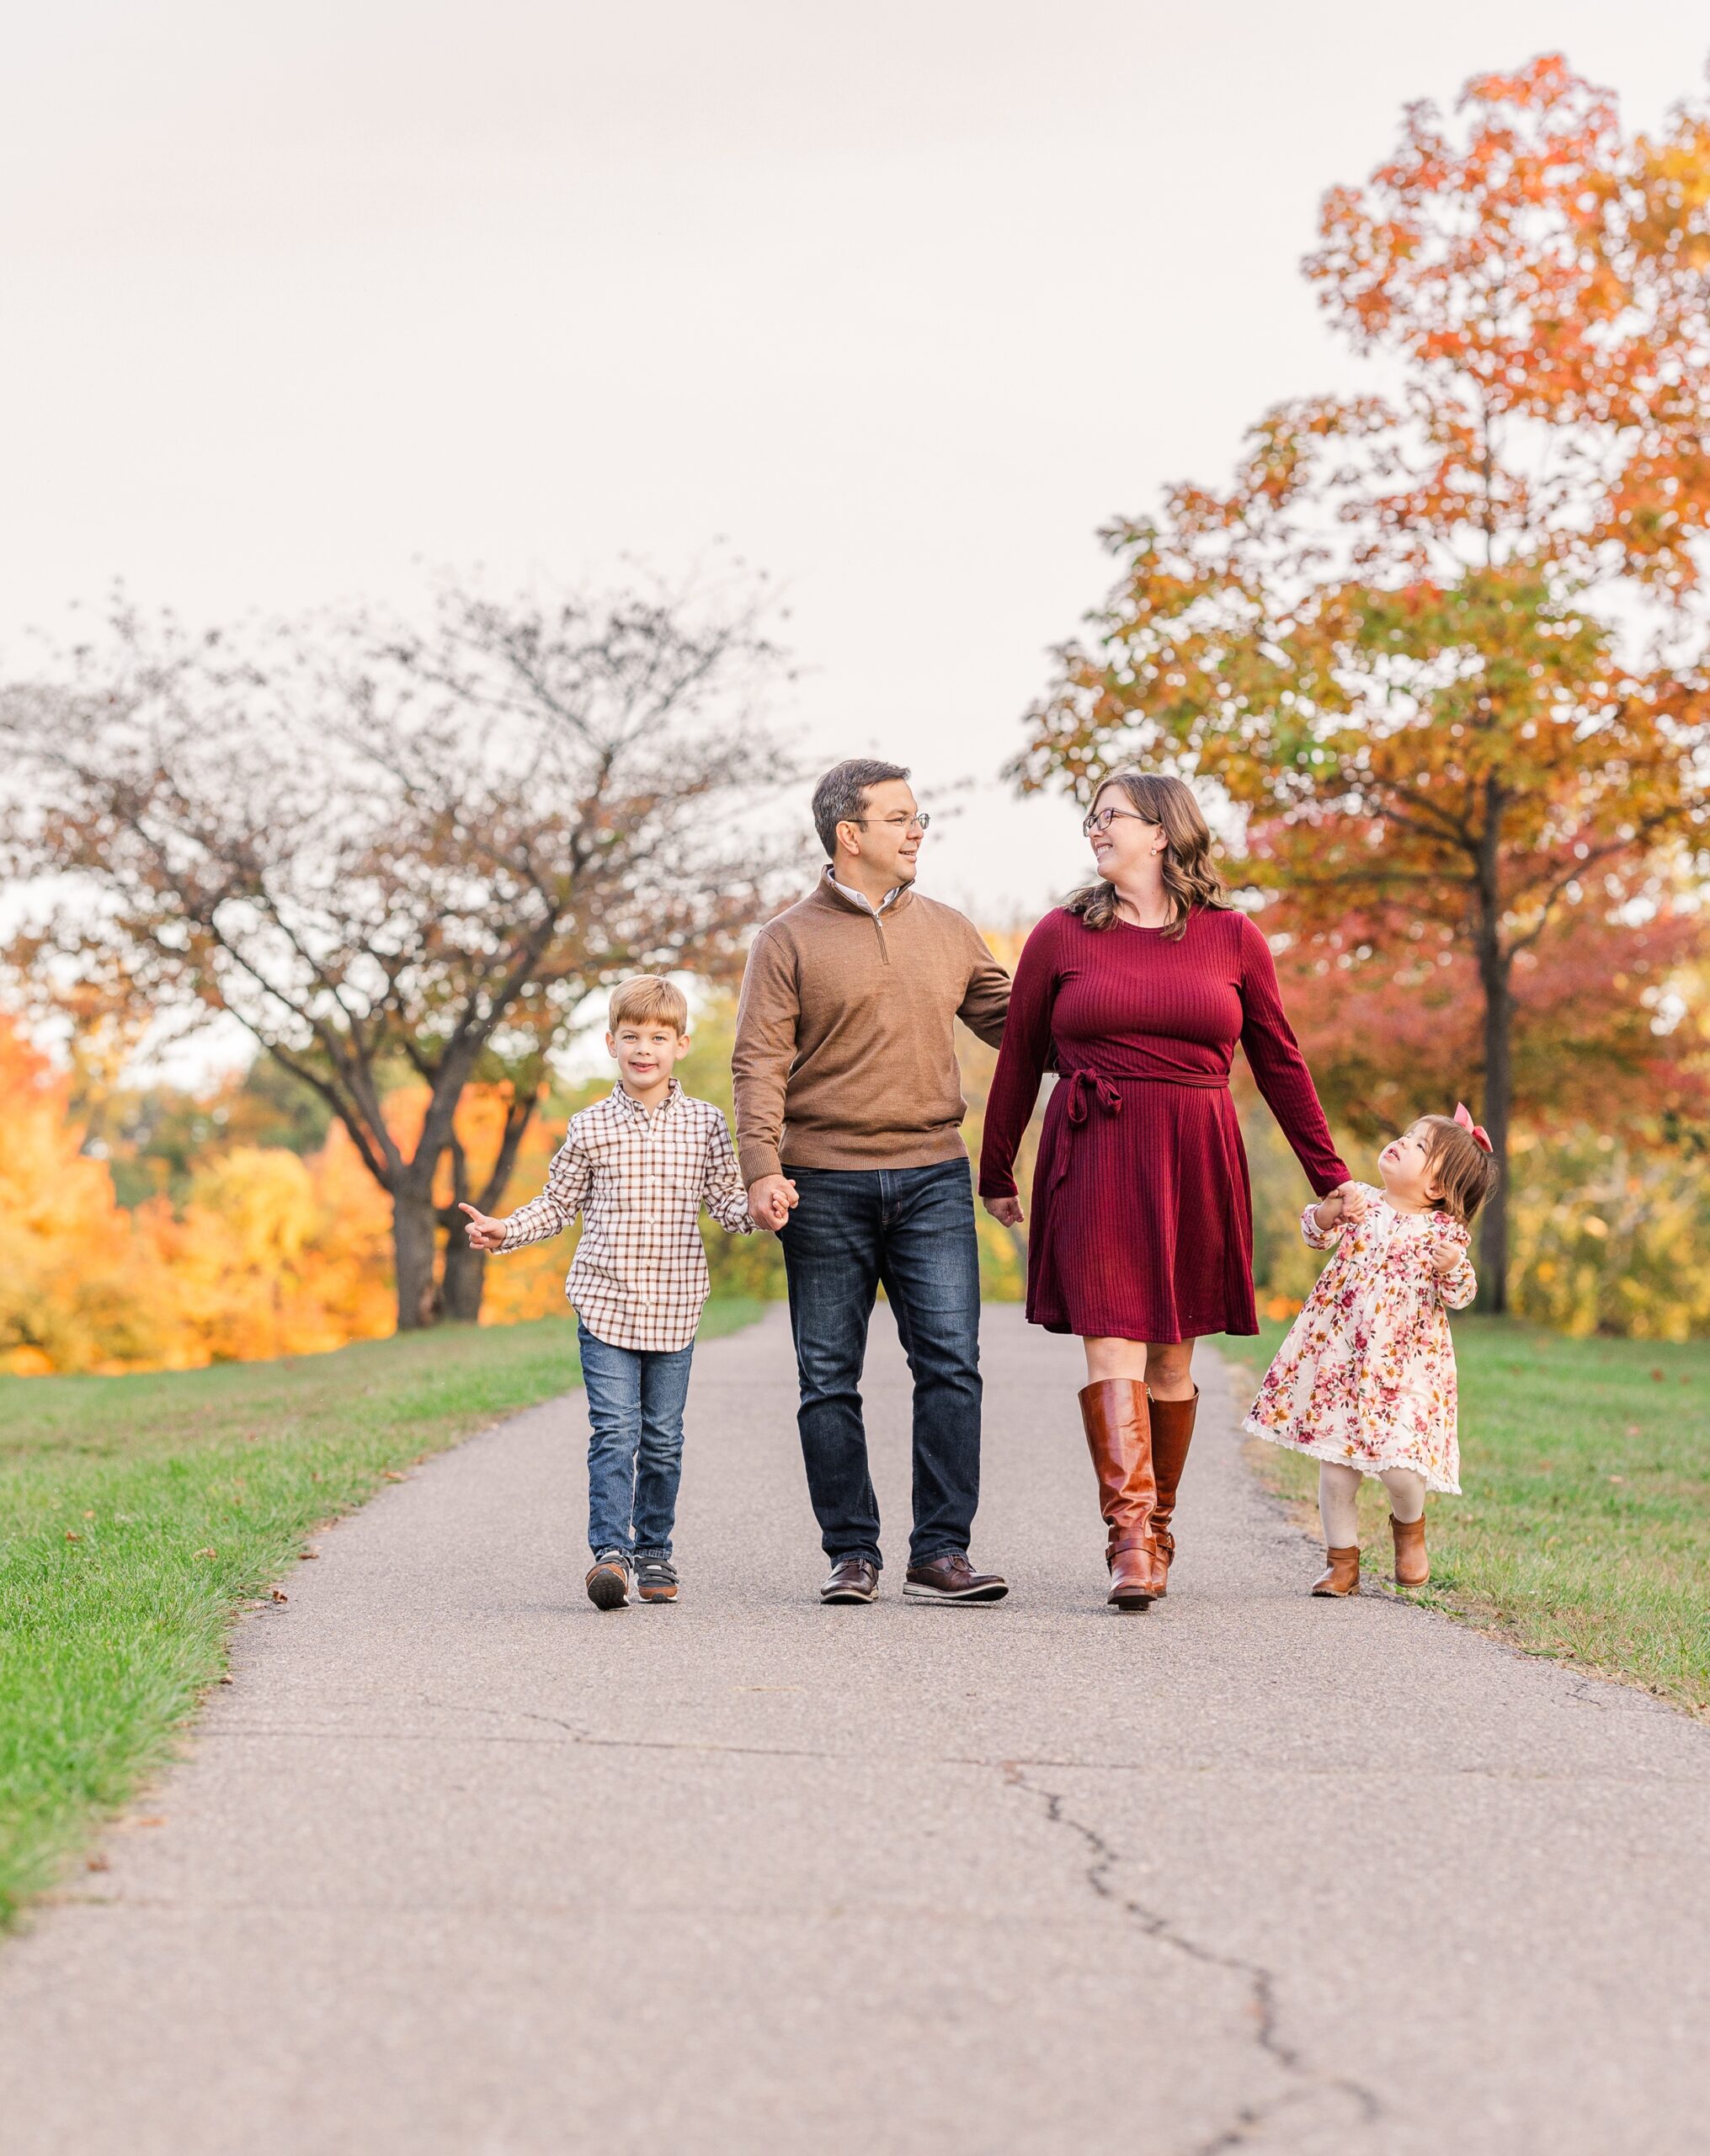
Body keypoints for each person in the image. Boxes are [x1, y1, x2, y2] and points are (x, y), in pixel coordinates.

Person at [979, 770, 1356, 1611]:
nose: (1094, 830)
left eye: (1109, 817)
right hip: (1097, 1150)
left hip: (1196, 1152)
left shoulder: (1233, 937)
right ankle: (1127, 1538)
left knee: (1173, 1355)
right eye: (1092, 818)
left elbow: (1282, 1062)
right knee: (1111, 1338)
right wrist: (996, 1167)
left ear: (1161, 831)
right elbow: (1017, 1059)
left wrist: (1331, 1177)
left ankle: (1160, 1525)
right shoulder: (1060, 934)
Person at [732, 758, 1012, 1605]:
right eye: (900, 818)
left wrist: (1122, 1027)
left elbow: (1022, 1025)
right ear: (850, 835)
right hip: (823, 1182)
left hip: (931, 1174)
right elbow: (758, 1064)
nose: (917, 830)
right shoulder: (785, 940)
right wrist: (763, 1168)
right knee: (827, 1375)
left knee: (951, 1366)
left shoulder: (952, 928)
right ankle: (851, 1551)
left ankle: (941, 1551)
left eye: (918, 816)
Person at [460, 975, 755, 1611]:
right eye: (631, 1037)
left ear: (680, 1045)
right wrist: (505, 1229)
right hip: (605, 1302)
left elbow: (730, 1205)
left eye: (657, 1037)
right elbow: (558, 1204)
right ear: (610, 1044)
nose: (643, 1048)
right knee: (614, 1431)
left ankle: (654, 1551)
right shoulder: (589, 1127)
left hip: (675, 1306)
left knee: (664, 1436)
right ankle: (610, 1557)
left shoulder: (705, 1125)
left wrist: (766, 1208)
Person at [1244, 1106, 1497, 1595]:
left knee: (1401, 1468)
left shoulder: (1445, 1235)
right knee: (1336, 1467)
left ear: (1437, 1190)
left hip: (1404, 1371)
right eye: (1407, 1134)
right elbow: (1315, 1234)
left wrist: (1452, 1267)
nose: (1402, 1142)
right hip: (1339, 1359)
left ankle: (1410, 1530)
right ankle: (1341, 1562)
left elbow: (1460, 1295)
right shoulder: (1361, 1202)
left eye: (1419, 1146)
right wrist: (1329, 1211)